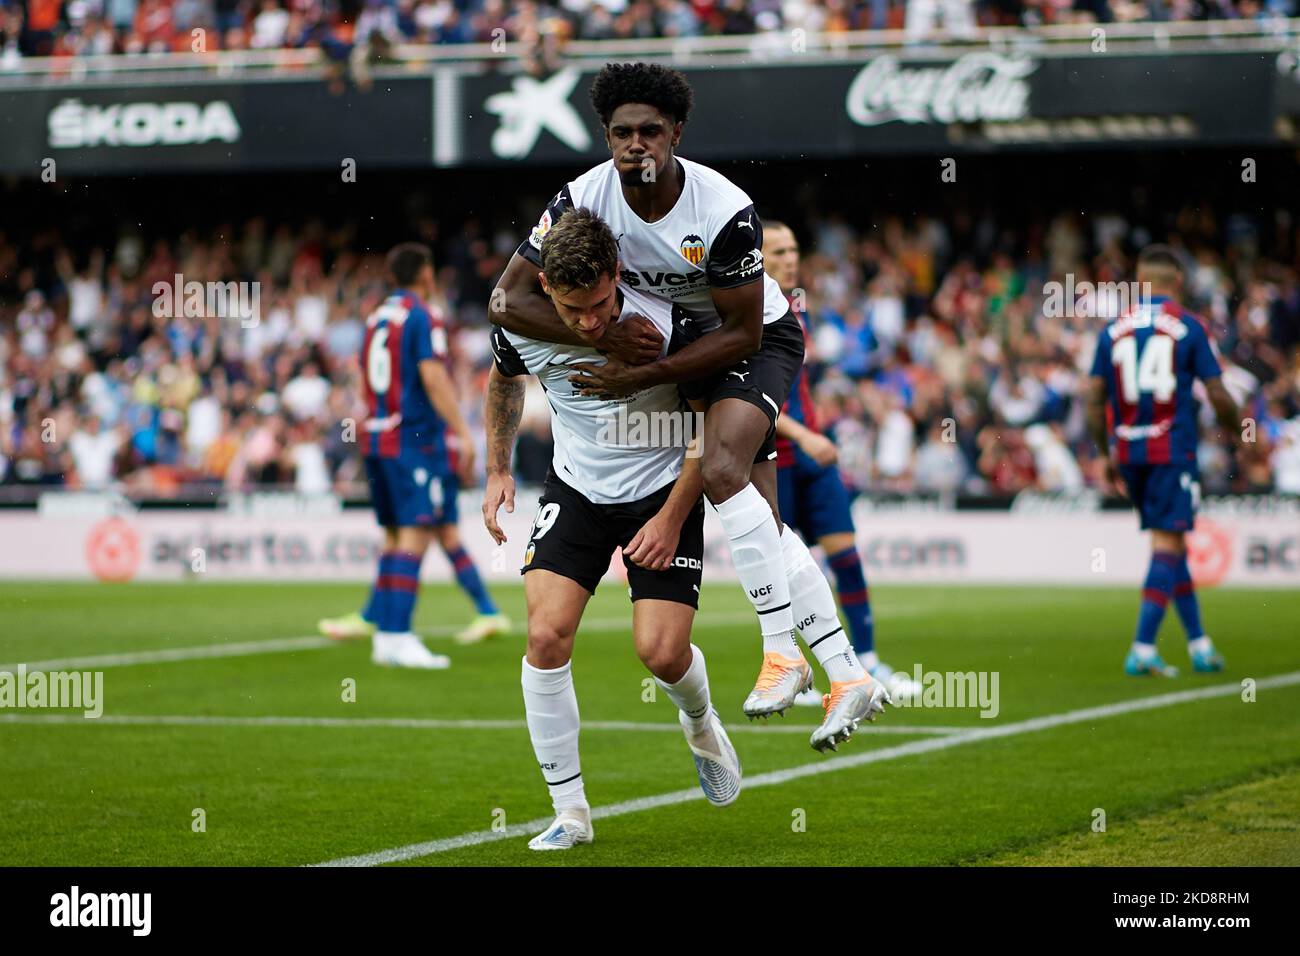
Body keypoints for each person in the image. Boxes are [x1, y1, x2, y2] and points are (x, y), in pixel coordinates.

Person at [492, 62, 887, 752]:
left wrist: (644, 369)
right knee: (763, 522)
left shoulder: (723, 210)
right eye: (621, 132)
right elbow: (506, 301)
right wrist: (606, 333)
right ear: (606, 136)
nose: (635, 144)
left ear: (675, 132)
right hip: (678, 343)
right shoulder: (581, 198)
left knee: (724, 470)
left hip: (752, 340)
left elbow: (744, 333)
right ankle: (849, 675)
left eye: (649, 130)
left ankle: (783, 655)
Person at [483, 208, 740, 850]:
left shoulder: (667, 326)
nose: (591, 323)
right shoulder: (525, 324)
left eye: (600, 304)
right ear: (546, 290)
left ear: (618, 272)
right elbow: (503, 378)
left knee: (660, 653)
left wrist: (671, 517)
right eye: (574, 312)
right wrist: (497, 467)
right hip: (576, 487)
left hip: (662, 488)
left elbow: (705, 430)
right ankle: (570, 813)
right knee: (544, 635)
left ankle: (701, 720)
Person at [318, 243, 506, 667]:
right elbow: (433, 376)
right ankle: (395, 635)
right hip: (414, 441)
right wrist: (463, 431)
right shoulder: (423, 315)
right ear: (424, 274)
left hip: (377, 438)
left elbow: (365, 375)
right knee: (418, 533)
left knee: (398, 534)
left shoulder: (375, 317)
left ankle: (381, 625)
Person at [761, 221, 920, 704]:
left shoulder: (793, 310)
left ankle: (868, 661)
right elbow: (753, 396)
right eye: (779, 251)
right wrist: (807, 434)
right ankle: (799, 672)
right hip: (774, 461)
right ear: (756, 257)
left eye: (794, 248)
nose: (792, 258)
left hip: (814, 455)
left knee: (846, 556)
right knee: (788, 573)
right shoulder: (749, 314)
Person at [1085, 245, 1240, 678]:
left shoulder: (1112, 329)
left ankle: (1199, 644)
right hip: (1171, 450)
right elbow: (1219, 392)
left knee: (1171, 543)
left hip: (1130, 451)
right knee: (1168, 544)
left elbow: (1094, 399)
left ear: (1140, 280)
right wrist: (1240, 431)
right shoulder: (1190, 327)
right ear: (1178, 281)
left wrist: (1105, 453)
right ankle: (1142, 647)